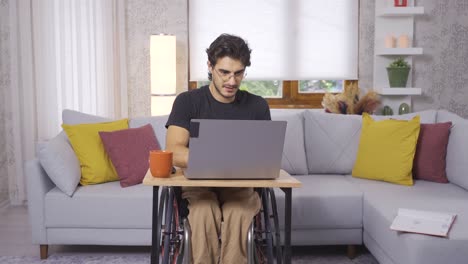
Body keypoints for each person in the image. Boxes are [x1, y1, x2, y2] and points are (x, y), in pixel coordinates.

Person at [165, 33, 271, 264]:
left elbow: (265, 157)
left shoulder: (257, 106)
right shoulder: (187, 101)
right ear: (210, 67)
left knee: (238, 212)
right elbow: (174, 151)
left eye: (239, 73)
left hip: (240, 186)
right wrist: (221, 156)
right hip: (197, 185)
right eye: (224, 72)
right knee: (204, 212)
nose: (232, 81)